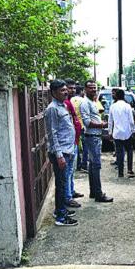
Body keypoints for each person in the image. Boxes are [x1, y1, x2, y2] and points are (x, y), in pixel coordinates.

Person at [45, 79, 78, 226]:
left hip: (68, 150)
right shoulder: (52, 109)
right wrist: (59, 155)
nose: (66, 92)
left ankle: (61, 209)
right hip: (61, 153)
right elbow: (52, 134)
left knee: (64, 183)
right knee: (62, 184)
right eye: (62, 90)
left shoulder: (63, 105)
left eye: (66, 89)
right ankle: (60, 217)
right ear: (53, 92)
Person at [80, 80, 113, 202]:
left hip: (95, 137)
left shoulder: (93, 102)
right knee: (96, 165)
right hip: (92, 137)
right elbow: (87, 122)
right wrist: (102, 125)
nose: (93, 90)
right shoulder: (85, 103)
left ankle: (93, 192)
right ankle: (98, 194)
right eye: (90, 88)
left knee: (93, 165)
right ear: (85, 89)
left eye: (95, 87)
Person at [63, 78, 84, 208]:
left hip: (74, 141)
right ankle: (68, 197)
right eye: (69, 88)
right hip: (69, 143)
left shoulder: (69, 102)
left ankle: (71, 192)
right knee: (68, 172)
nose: (72, 90)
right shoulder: (64, 104)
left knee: (71, 171)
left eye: (73, 88)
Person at [108, 89, 135, 178]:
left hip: (117, 133)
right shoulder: (127, 106)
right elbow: (131, 121)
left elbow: (110, 121)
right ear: (123, 96)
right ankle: (130, 170)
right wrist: (133, 130)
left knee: (119, 152)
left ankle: (120, 173)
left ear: (116, 96)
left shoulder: (112, 106)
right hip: (127, 132)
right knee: (129, 151)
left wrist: (110, 132)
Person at [71, 85, 88, 171]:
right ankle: (84, 164)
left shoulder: (70, 100)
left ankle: (77, 163)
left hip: (74, 125)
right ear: (81, 91)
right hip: (82, 125)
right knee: (86, 145)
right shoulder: (83, 100)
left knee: (76, 144)